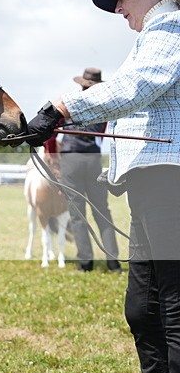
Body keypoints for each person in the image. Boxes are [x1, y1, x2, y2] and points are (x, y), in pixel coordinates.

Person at [24, 0, 180, 373]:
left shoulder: (171, 30)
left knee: (172, 310)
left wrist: (62, 108)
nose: (118, 8)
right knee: (142, 308)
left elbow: (139, 89)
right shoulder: (150, 37)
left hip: (170, 181)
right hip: (151, 182)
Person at [57, 68, 122, 273]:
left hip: (71, 159)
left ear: (81, 84)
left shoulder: (70, 103)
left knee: (78, 214)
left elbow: (51, 132)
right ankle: (113, 262)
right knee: (102, 211)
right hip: (93, 159)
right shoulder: (104, 108)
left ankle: (85, 262)